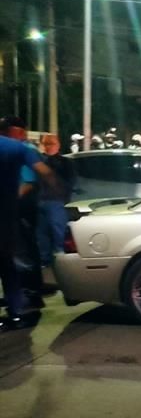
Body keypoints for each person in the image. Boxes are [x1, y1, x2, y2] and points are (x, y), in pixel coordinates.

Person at [0, 117, 59, 330]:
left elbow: (31, 180)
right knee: (12, 261)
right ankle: (17, 308)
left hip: (13, 214)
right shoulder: (19, 149)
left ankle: (23, 301)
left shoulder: (17, 147)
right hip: (12, 214)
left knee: (15, 259)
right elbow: (44, 174)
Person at [36, 134, 76, 269]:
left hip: (56, 202)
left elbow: (69, 183)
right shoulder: (40, 160)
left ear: (58, 145)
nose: (48, 147)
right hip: (41, 201)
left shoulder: (64, 162)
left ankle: (60, 262)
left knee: (58, 232)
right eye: (45, 144)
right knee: (42, 234)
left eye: (51, 144)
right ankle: (45, 261)